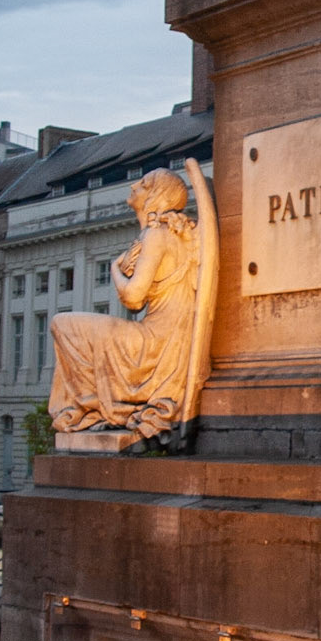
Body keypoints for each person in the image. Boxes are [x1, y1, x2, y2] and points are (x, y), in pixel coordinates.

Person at [48, 169, 200, 441]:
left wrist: (114, 268)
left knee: (63, 324)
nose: (133, 185)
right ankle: (93, 406)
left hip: (155, 345)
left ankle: (91, 408)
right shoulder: (170, 234)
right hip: (166, 342)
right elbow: (136, 305)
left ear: (155, 196)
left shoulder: (156, 236)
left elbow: (132, 298)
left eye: (142, 184)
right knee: (72, 327)